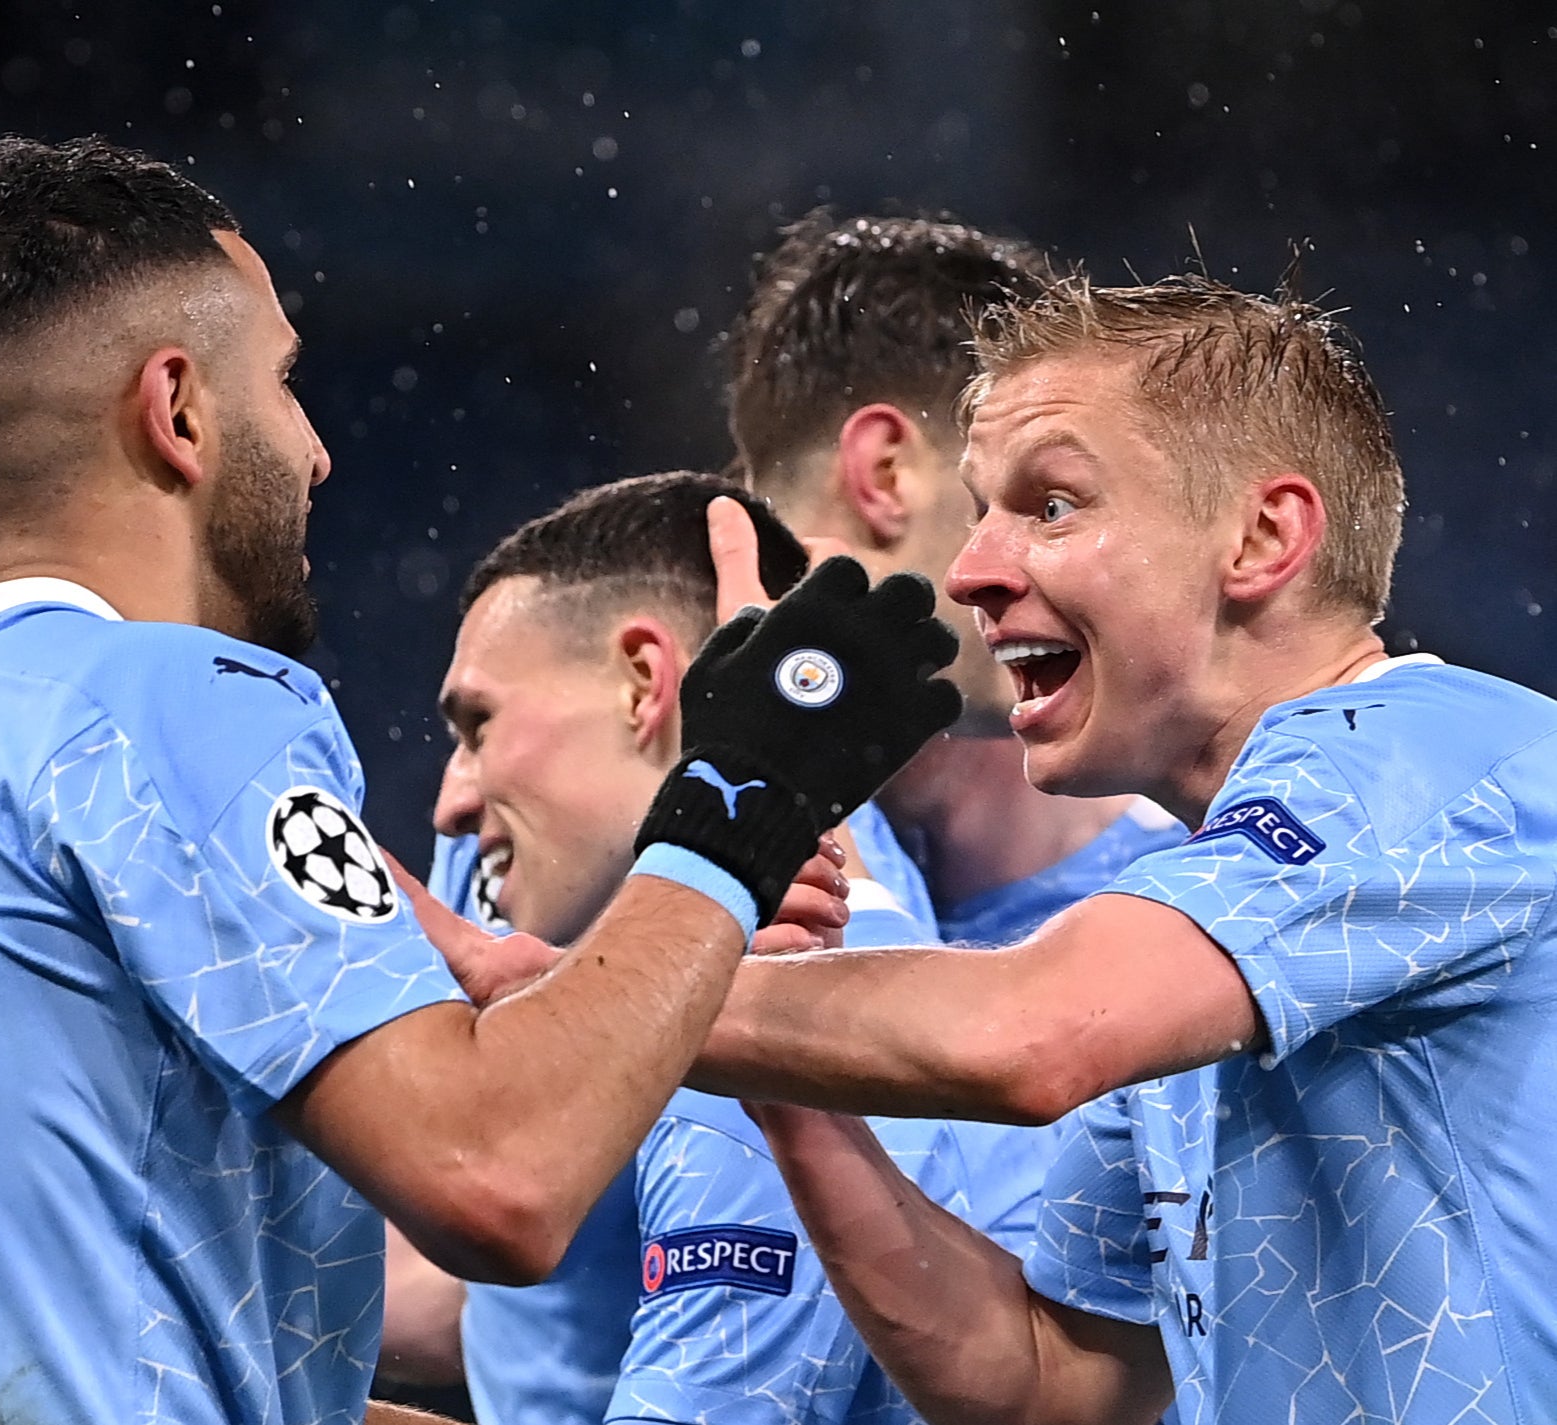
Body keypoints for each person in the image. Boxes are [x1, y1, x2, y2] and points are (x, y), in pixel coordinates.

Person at [0, 137, 959, 1425]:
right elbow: (501, 1180)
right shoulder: (163, 701)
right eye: (286, 382)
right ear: (179, 409)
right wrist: (732, 810)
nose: (314, 451)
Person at [676, 274, 1557, 1424]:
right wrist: (787, 1083)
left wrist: (619, 994)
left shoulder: (1440, 761)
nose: (970, 571)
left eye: (1050, 506)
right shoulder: (1185, 924)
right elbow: (1050, 1383)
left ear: (1261, 537)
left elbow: (1028, 1037)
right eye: (980, 509)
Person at [421, 470, 1034, 1425]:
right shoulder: (556, 904)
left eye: (477, 726)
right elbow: (504, 1309)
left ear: (642, 685)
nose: (449, 802)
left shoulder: (784, 1008)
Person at [723, 210, 1184, 948]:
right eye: (1033, 499)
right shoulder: (612, 817)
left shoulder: (1210, 897)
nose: (1048, 558)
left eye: (1053, 506)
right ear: (885, 473)